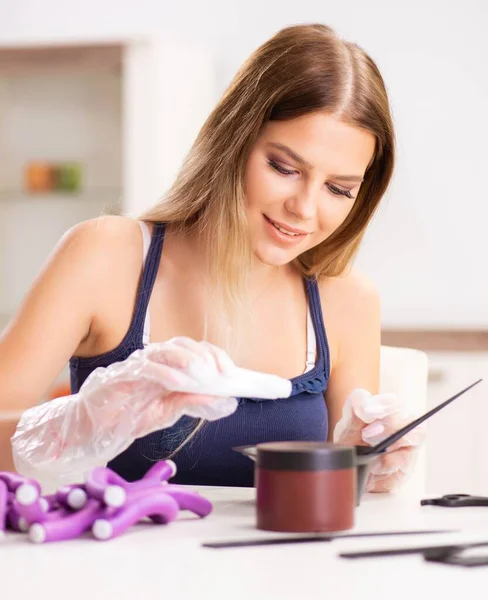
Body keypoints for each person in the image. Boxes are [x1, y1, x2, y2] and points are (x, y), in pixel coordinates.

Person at [0, 23, 423, 492]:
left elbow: (340, 497)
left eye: (338, 188)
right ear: (233, 142)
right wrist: (75, 426)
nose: (304, 208)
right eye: (283, 168)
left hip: (283, 566)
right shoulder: (106, 256)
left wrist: (363, 464)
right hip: (114, 559)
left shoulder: (347, 299)